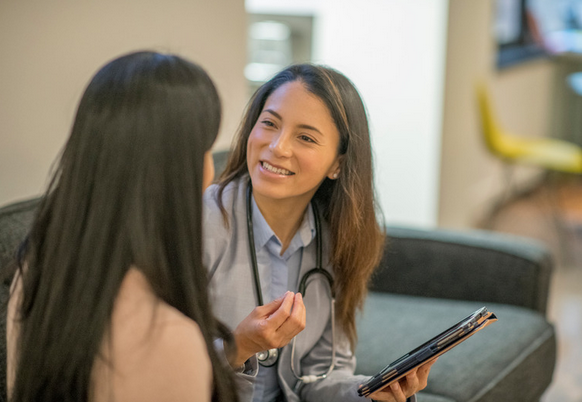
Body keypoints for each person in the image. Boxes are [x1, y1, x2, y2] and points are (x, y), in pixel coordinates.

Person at [4, 51, 238, 402]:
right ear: (174, 171)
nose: (211, 168)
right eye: (205, 149)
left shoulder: (35, 271)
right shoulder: (168, 338)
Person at [203, 64, 436, 402]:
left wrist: (369, 394)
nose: (278, 147)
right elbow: (154, 367)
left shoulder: (335, 238)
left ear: (337, 164)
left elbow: (321, 375)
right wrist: (240, 347)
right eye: (269, 123)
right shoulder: (202, 221)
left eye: (306, 137)